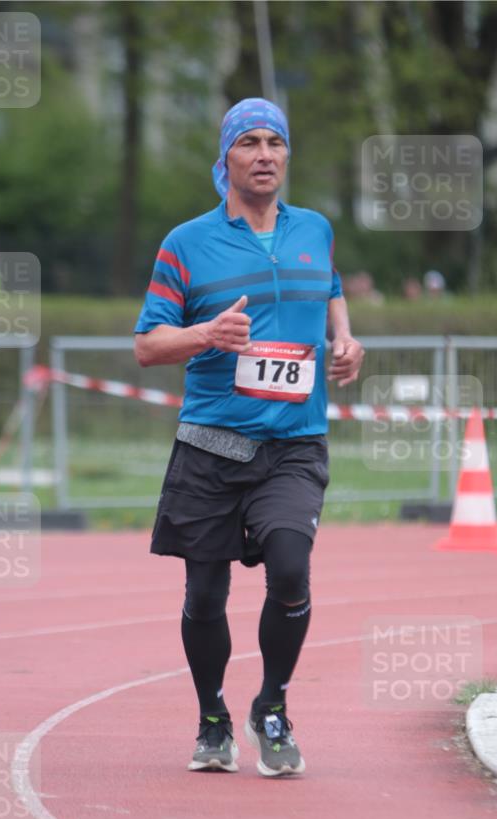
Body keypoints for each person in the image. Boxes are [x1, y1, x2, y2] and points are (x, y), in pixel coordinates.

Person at [134, 97, 364, 777]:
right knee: (204, 597)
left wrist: (344, 339)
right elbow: (148, 346)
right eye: (249, 143)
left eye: (275, 143)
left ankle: (271, 705)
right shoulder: (185, 243)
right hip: (211, 447)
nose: (264, 155)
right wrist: (206, 334)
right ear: (226, 158)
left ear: (286, 156)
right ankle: (212, 716)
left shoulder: (314, 229)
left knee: (290, 571)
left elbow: (329, 288)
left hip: (293, 445)